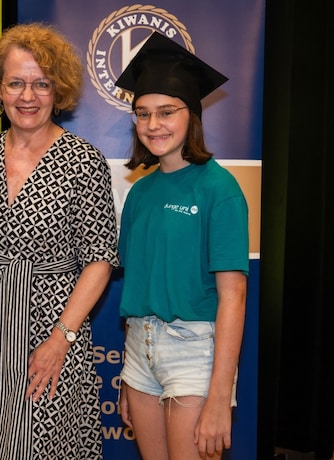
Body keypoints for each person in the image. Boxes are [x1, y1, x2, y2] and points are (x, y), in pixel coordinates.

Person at [0, 22, 119, 460]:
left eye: (41, 84)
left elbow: (100, 258)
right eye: (16, 83)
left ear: (58, 90)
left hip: (52, 335)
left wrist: (59, 338)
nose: (27, 96)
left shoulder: (84, 160)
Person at [114, 32, 249, 460]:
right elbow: (140, 288)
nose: (153, 125)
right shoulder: (139, 193)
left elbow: (234, 297)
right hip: (140, 350)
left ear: (192, 115)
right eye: (143, 113)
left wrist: (219, 397)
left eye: (166, 112)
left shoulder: (219, 189)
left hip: (194, 351)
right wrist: (128, 374)